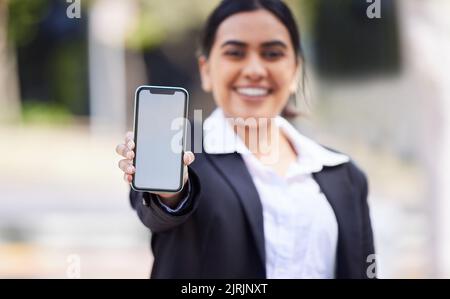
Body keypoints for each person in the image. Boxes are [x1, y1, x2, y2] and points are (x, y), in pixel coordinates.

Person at [115, 0, 375, 279]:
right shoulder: (183, 150)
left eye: (272, 54)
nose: (254, 69)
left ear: (295, 71)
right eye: (235, 53)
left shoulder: (343, 174)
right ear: (206, 70)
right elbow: (161, 211)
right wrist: (170, 192)